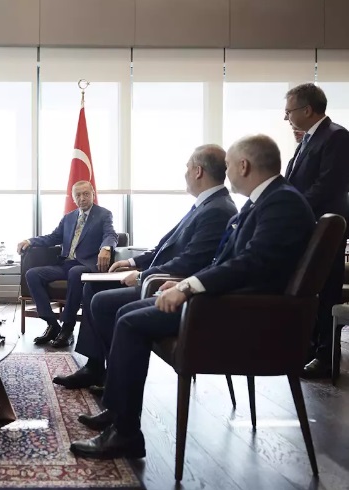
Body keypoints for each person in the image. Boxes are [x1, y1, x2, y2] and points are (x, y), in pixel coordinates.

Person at [69, 135, 315, 460]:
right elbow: (228, 262)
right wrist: (185, 283)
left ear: (244, 166)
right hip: (227, 302)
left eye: (229, 165)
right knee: (125, 313)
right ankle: (119, 415)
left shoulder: (281, 203)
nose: (226, 172)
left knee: (128, 321)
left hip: (240, 313)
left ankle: (125, 433)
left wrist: (188, 287)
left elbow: (250, 264)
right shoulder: (266, 201)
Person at [54, 145, 236, 391]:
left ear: (198, 171)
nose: (185, 174)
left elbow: (190, 262)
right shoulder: (206, 205)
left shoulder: (217, 210)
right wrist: (132, 262)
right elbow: (165, 248)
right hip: (160, 276)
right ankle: (95, 366)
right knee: (93, 287)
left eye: (187, 168)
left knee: (101, 300)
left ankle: (111, 375)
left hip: (167, 283)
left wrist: (142, 275)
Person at [284, 83, 349, 378]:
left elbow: (328, 186)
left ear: (307, 110)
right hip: (308, 227)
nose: (286, 117)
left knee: (326, 290)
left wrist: (294, 209)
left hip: (325, 229)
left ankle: (326, 357)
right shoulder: (308, 139)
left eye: (289, 111)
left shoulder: (336, 136)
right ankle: (308, 350)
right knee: (310, 289)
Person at [18, 180, 117, 348]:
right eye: (78, 195)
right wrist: (30, 241)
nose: (82, 198)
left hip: (87, 266)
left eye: (86, 194)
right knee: (32, 274)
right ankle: (52, 325)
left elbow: (111, 234)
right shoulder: (69, 218)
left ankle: (68, 328)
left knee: (75, 272)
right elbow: (53, 237)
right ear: (73, 198)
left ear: (93, 194)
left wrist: (106, 248)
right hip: (66, 264)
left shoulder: (103, 214)